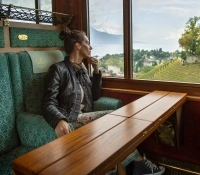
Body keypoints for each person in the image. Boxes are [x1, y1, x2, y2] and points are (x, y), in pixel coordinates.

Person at [42, 28, 165, 175]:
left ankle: (128, 168)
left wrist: (96, 70)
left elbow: (94, 96)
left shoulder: (82, 69)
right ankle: (138, 163)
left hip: (84, 116)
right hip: (70, 117)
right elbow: (47, 102)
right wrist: (58, 120)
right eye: (87, 42)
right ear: (78, 45)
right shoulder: (58, 69)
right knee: (116, 119)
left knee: (114, 133)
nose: (91, 46)